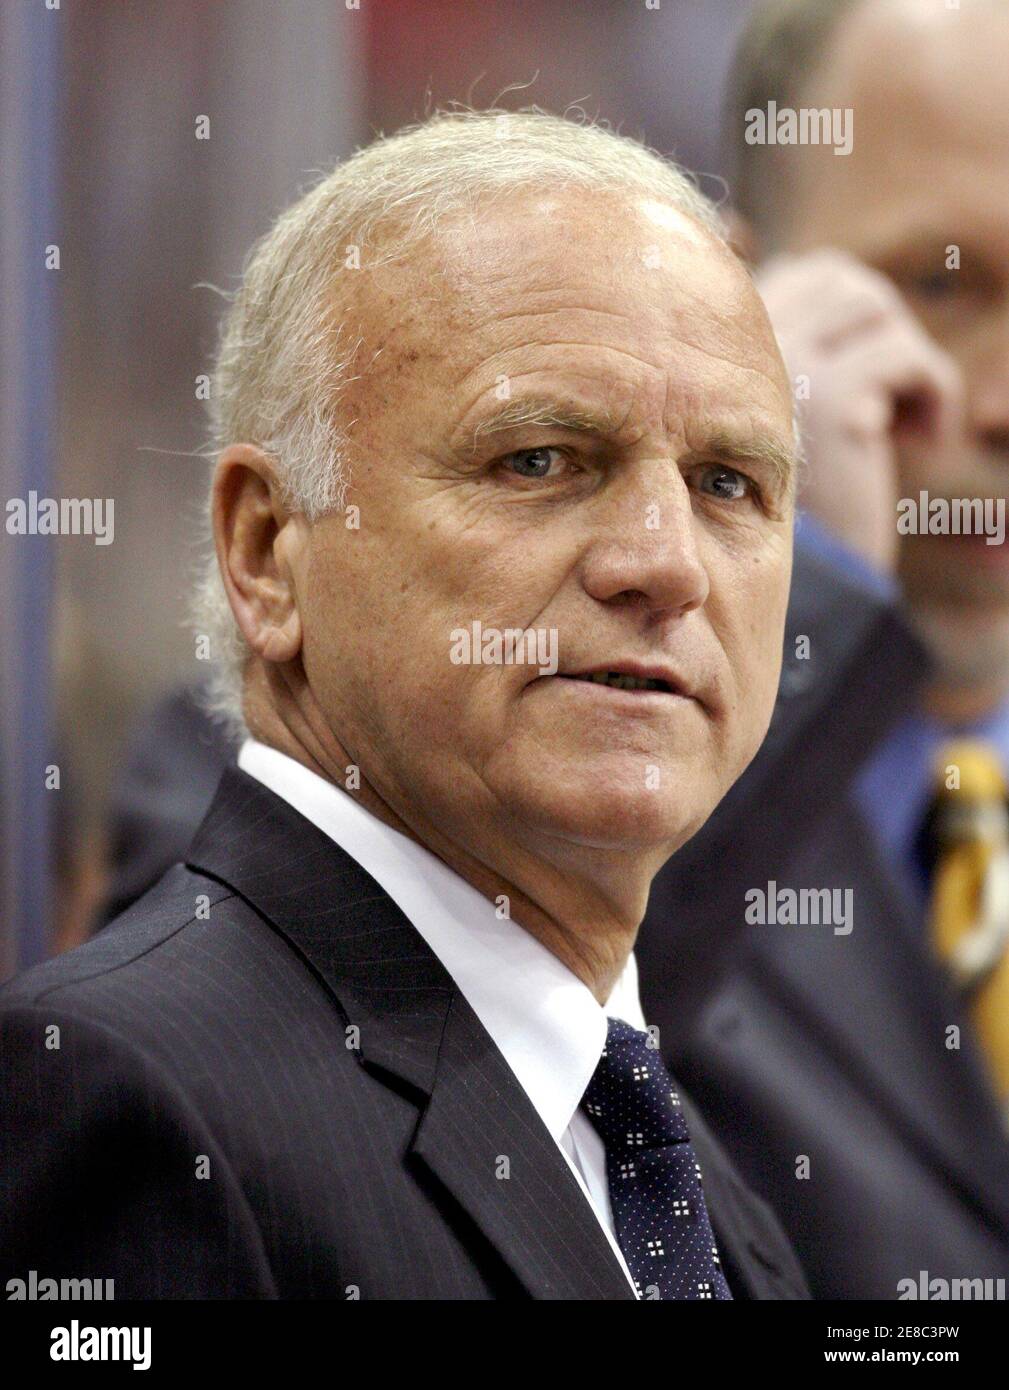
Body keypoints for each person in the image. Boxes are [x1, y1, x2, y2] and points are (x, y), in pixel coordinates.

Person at [0, 110, 808, 1300]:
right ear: (269, 551)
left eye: (727, 483)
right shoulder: (123, 1094)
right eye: (539, 458)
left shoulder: (685, 1178)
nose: (666, 563)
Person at [640, 0, 1009, 1298]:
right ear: (740, 299)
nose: (1002, 400)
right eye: (942, 285)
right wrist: (791, 600)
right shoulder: (404, 751)